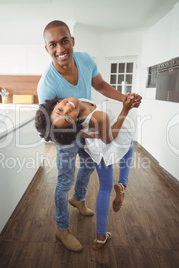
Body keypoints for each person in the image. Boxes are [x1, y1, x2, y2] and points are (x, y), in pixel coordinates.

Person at [37, 19, 141, 252]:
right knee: (65, 182)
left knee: (89, 166)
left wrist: (123, 99)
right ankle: (62, 228)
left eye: (64, 41)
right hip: (67, 133)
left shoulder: (85, 60)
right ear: (47, 49)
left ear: (72, 41)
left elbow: (101, 84)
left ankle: (79, 199)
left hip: (88, 124)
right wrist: (75, 132)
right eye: (52, 45)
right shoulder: (47, 84)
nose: (60, 49)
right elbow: (50, 124)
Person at [35, 95, 140, 249]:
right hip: (108, 143)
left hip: (96, 148)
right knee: (129, 143)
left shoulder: (77, 104)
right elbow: (110, 138)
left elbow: (81, 130)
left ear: (56, 103)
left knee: (105, 187)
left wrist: (89, 134)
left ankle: (100, 237)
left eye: (60, 109)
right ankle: (123, 184)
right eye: (67, 117)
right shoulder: (98, 117)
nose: (68, 108)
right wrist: (125, 109)